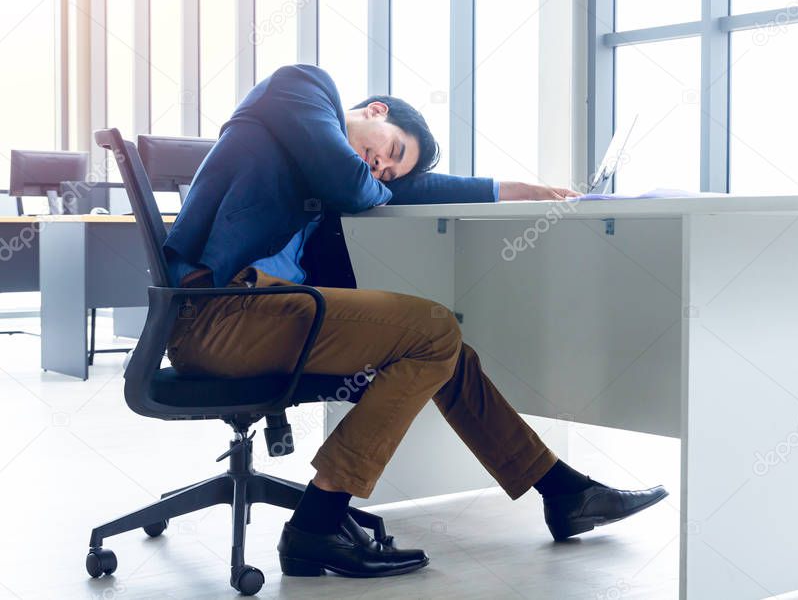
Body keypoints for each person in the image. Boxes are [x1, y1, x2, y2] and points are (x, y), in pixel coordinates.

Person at [163, 64, 668, 579]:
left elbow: (388, 188)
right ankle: (318, 521)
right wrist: (373, 185)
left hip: (264, 313)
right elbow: (355, 186)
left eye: (389, 171)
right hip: (218, 315)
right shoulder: (301, 86)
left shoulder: (325, 160)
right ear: (377, 110)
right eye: (392, 151)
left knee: (449, 354)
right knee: (434, 330)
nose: (381, 166)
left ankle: (565, 493)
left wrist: (517, 189)